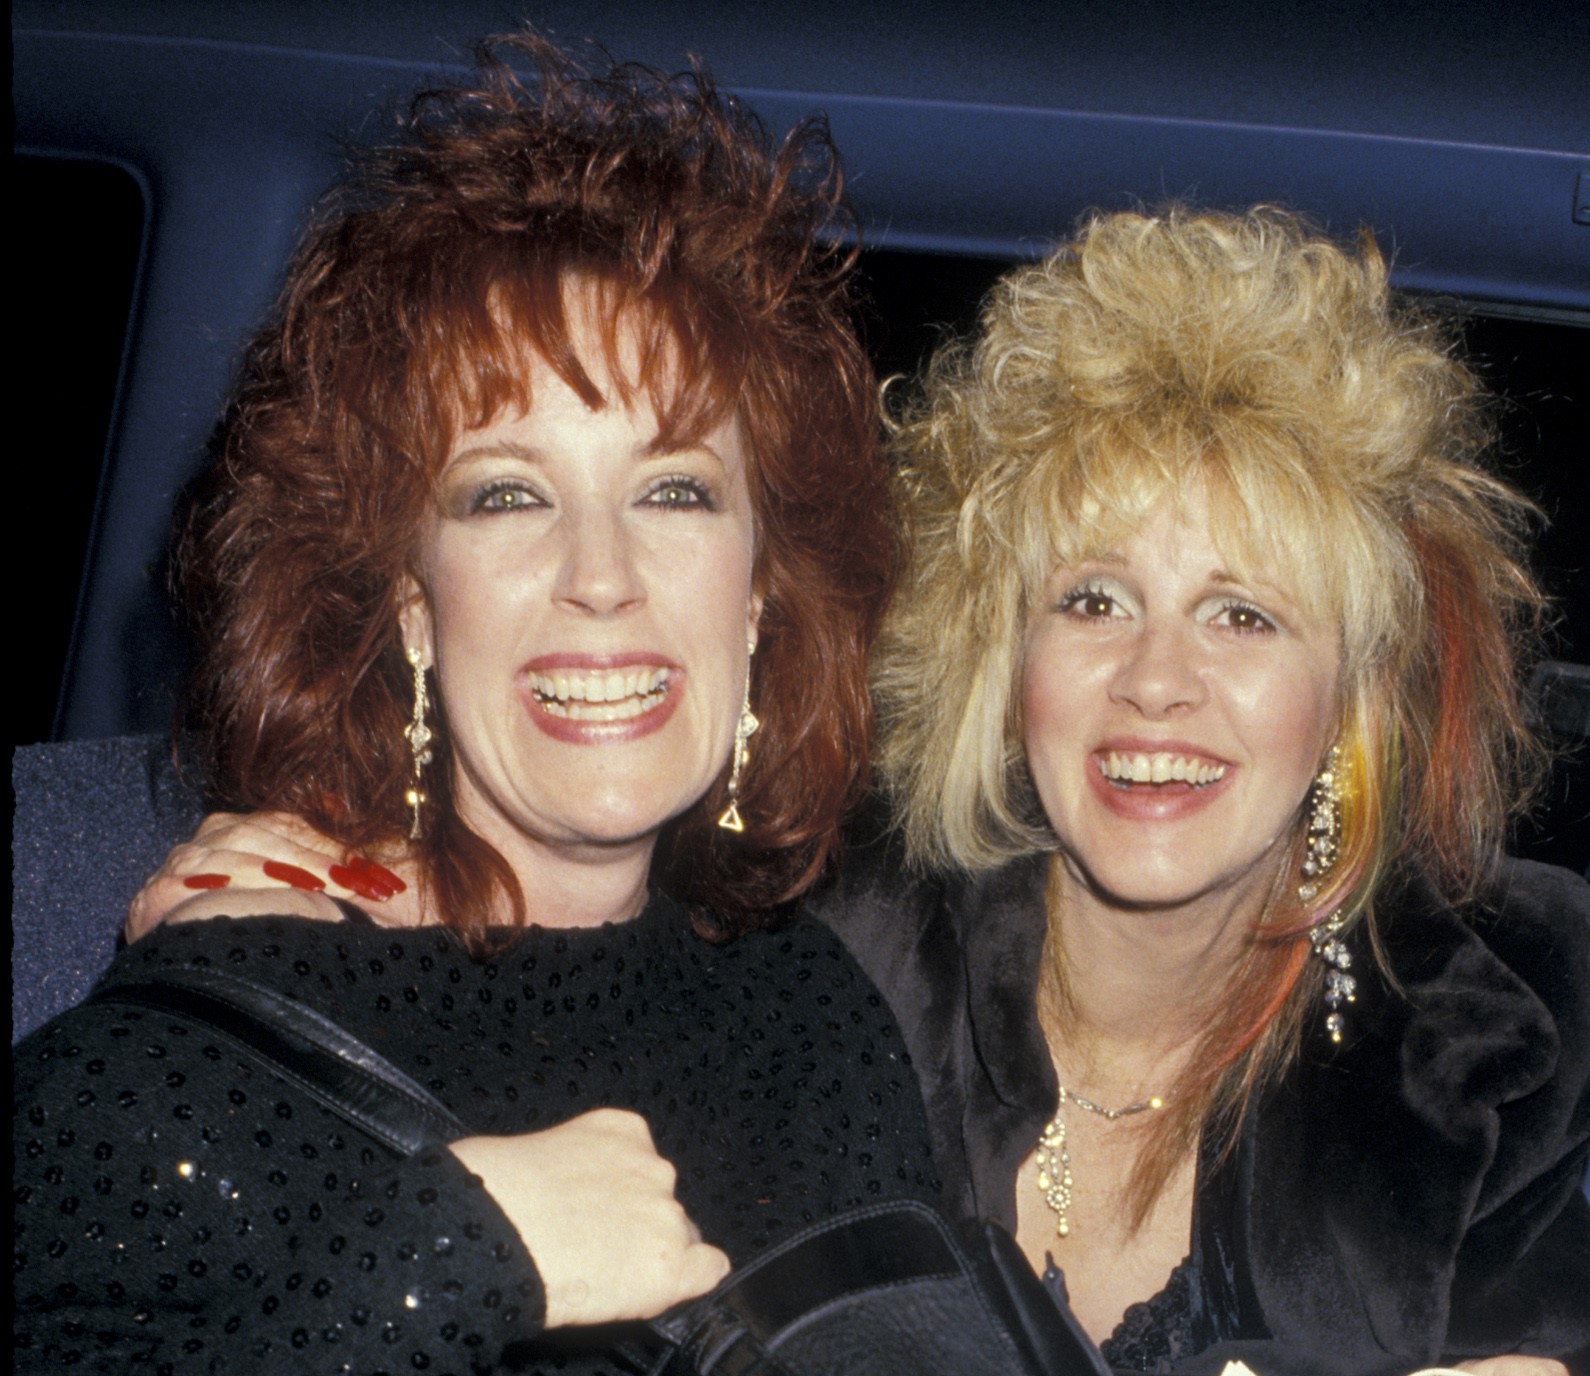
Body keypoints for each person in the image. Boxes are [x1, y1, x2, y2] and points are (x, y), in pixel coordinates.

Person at [12, 38, 938, 1373]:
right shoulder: (195, 1048)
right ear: (407, 603)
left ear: (755, 595)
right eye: (507, 494)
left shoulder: (811, 1010)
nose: (601, 579)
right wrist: (458, 1260)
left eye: (674, 490)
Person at [824, 207, 1590, 1374]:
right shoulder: (836, 951)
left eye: (1241, 614)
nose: (1155, 682)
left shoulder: (1483, 1016)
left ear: (1348, 702)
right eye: (1093, 600)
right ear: (999, 665)